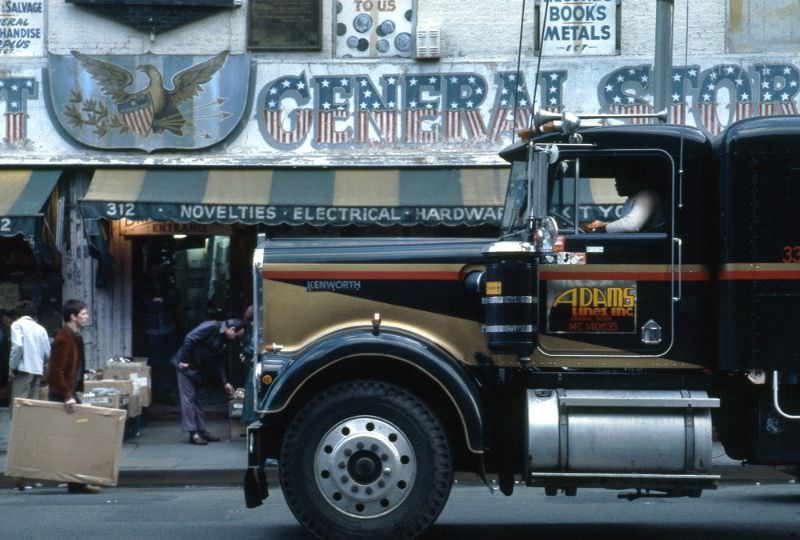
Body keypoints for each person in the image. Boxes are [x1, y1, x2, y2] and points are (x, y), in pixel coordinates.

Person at [46, 299, 101, 494]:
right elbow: (56, 371)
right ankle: (76, 483)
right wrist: (68, 396)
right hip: (62, 395)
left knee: (76, 438)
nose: (86, 317)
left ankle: (77, 482)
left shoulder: (75, 337)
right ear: (73, 316)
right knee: (75, 438)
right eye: (84, 313)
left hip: (69, 393)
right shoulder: (63, 339)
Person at [172, 318, 245, 445]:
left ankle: (202, 430)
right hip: (187, 366)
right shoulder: (212, 326)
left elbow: (219, 362)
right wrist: (184, 361)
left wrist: (225, 382)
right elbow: (189, 338)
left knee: (199, 398)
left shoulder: (224, 340)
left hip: (200, 369)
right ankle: (193, 433)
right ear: (232, 329)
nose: (236, 339)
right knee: (189, 398)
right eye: (237, 336)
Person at [141, 259, 180, 405]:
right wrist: (159, 304)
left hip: (168, 327)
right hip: (152, 329)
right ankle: (155, 394)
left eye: (158, 265)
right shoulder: (144, 282)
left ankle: (167, 393)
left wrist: (162, 300)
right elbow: (143, 303)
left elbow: (176, 298)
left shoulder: (167, 280)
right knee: (154, 362)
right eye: (154, 265)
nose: (157, 268)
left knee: (169, 361)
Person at [582, 174, 664, 233]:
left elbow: (631, 225)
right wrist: (602, 225)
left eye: (619, 180)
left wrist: (599, 229)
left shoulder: (647, 195)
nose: (616, 184)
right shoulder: (633, 197)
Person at [9, 300, 51, 406]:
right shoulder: (41, 329)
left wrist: (12, 366)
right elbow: (48, 353)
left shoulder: (17, 325)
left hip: (22, 369)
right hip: (37, 370)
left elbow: (18, 346)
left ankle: (19, 423)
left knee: (19, 405)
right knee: (33, 407)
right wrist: (41, 363)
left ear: (17, 314)